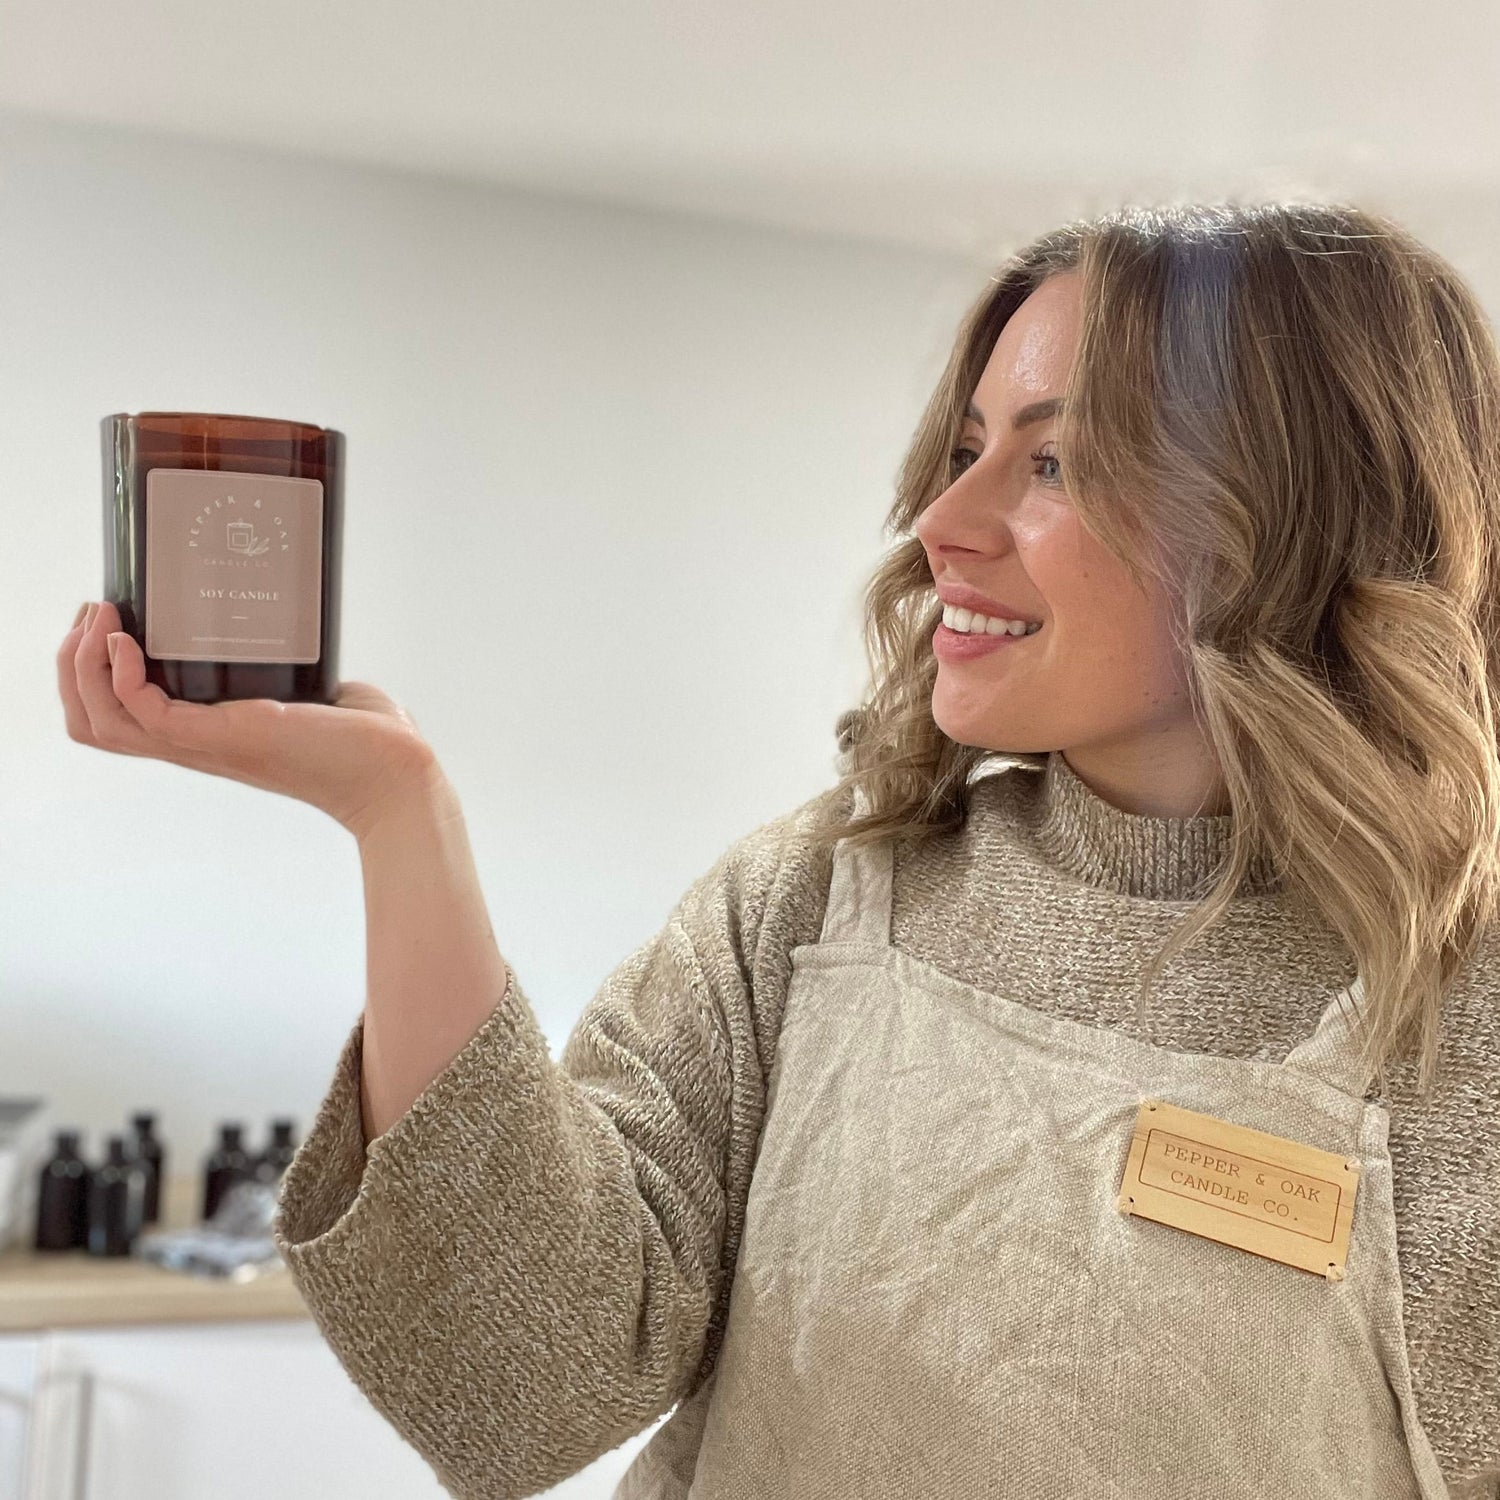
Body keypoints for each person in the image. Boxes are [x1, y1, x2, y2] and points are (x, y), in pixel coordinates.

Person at [57, 200, 1500, 1499]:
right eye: (964, 450)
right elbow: (515, 1395)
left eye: (1053, 460)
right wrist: (398, 818)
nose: (942, 524)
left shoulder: (1462, 1011)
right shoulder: (814, 902)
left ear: (1287, 522)